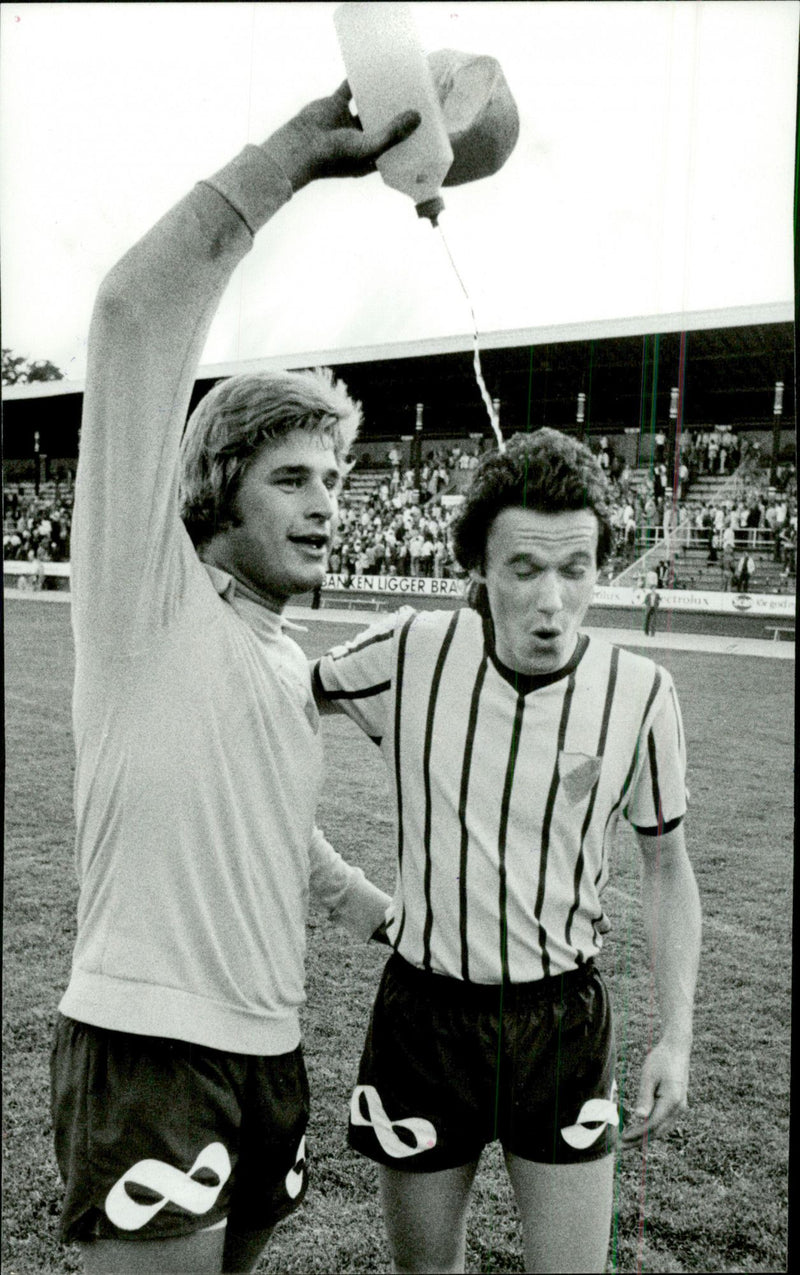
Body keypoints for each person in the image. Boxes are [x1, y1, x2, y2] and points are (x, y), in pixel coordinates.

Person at [50, 84, 420, 1275]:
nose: (329, 507)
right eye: (295, 480)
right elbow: (130, 314)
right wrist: (291, 160)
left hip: (269, 1053)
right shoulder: (142, 597)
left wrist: (377, 910)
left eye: (337, 481)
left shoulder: (278, 655)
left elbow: (273, 825)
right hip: (150, 1045)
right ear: (220, 490)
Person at [313, 429, 701, 1274]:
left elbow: (667, 866)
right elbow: (265, 711)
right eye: (525, 568)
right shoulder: (412, 651)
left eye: (577, 568)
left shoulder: (643, 696)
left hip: (561, 1023)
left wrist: (676, 1031)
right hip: (425, 1018)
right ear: (479, 570)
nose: (553, 601)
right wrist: (337, 885)